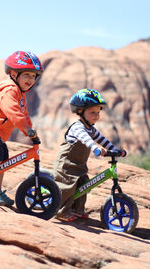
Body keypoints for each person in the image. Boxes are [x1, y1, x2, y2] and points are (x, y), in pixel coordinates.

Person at [0, 51, 45, 206]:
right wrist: (26, 130)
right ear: (13, 74)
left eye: (34, 76)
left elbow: (24, 115)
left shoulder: (20, 94)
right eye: (27, 74)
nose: (31, 79)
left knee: (3, 159)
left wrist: (31, 130)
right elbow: (13, 113)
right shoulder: (9, 90)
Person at [53, 88, 126, 222]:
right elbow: (86, 139)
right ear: (80, 111)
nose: (96, 116)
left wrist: (115, 150)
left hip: (79, 165)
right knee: (68, 186)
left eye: (98, 112)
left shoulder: (91, 129)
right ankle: (61, 211)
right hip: (67, 164)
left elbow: (102, 139)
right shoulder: (77, 127)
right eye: (92, 112)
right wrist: (95, 148)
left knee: (83, 184)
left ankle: (77, 208)